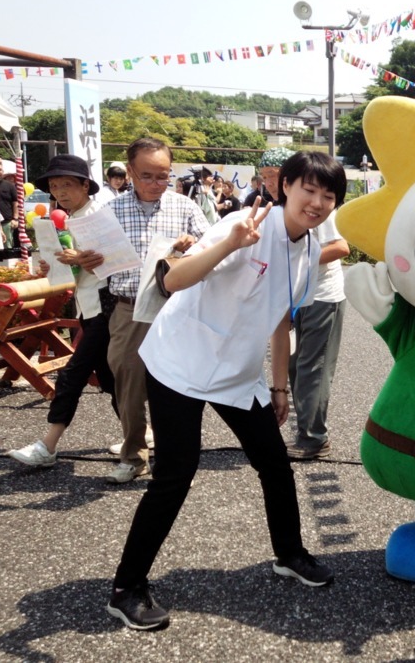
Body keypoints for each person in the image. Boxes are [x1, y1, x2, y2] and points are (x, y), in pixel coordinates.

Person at [106, 150, 345, 631]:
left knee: (274, 464)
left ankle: (289, 554)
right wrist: (229, 244)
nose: (317, 202)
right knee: (176, 472)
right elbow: (173, 279)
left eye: (328, 195)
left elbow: (282, 316)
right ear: (286, 187)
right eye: (308, 190)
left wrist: (279, 387)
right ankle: (126, 588)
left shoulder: (308, 247)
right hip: (182, 362)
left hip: (237, 372)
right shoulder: (243, 224)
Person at [103, 138, 210, 484]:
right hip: (129, 308)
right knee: (128, 383)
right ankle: (133, 456)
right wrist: (88, 260)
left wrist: (191, 249)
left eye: (162, 176)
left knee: (177, 387)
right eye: (146, 176)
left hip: (174, 309)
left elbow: (213, 253)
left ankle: (174, 463)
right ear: (129, 171)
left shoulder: (185, 207)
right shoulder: (111, 211)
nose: (154, 184)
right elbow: (99, 264)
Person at [7, 155, 119, 468]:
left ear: (86, 185)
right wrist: (52, 264)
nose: (61, 192)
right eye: (55, 187)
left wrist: (79, 258)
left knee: (72, 375)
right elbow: (77, 266)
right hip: (87, 305)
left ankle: (47, 446)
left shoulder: (98, 215)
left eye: (67, 185)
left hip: (105, 307)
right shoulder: (72, 217)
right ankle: (141, 433)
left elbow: (116, 261)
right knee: (110, 379)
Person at [286, 208, 350, 459]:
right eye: (266, 177)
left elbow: (341, 248)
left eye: (274, 176)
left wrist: (297, 260)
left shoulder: (317, 209)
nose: (269, 182)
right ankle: (306, 432)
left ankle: (314, 438)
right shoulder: (280, 209)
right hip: (295, 299)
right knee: (295, 366)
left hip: (323, 297)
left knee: (313, 368)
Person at [0, 155, 18, 249]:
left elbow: (15, 203)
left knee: (7, 247)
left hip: (6, 222)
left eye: (0, 170)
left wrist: (15, 218)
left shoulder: (9, 186)